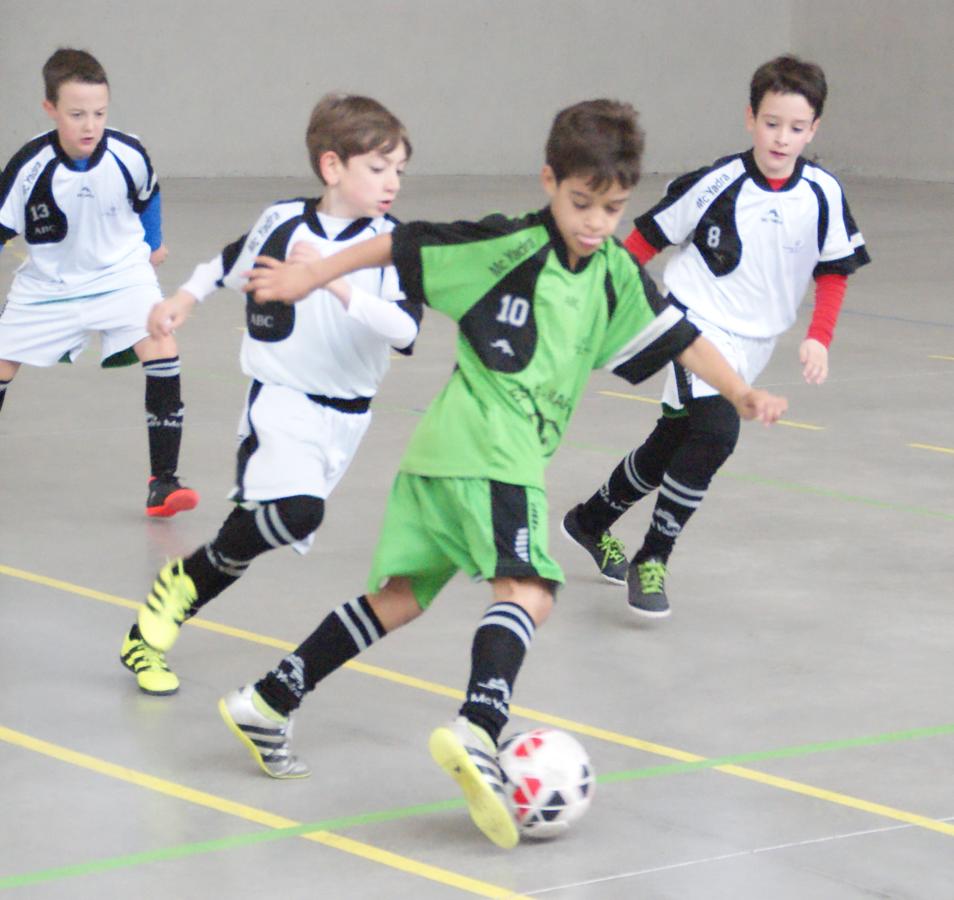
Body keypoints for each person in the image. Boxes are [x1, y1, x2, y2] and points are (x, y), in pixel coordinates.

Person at [152, 99, 786, 848]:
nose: (593, 221)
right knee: (530, 590)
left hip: (441, 459)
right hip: (492, 453)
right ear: (549, 181)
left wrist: (740, 391)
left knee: (399, 599)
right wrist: (313, 274)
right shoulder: (505, 245)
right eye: (580, 203)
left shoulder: (616, 274)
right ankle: (479, 727)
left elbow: (680, 336)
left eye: (611, 208)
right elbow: (404, 246)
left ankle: (268, 700)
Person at [119, 93, 421, 696]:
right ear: (333, 167)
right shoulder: (281, 219)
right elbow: (226, 264)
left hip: (348, 418)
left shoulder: (392, 243)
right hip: (282, 401)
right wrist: (182, 299)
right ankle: (175, 592)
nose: (392, 183)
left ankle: (163, 612)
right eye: (378, 168)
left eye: (399, 172)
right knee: (298, 511)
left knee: (251, 533)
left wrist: (329, 281)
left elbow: (406, 330)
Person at [562, 55, 870, 619]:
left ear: (814, 129)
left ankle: (589, 520)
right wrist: (603, 301)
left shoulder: (823, 193)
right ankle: (652, 558)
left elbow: (834, 268)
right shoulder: (716, 183)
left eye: (797, 128)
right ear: (750, 118)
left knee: (674, 441)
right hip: (692, 322)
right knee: (717, 432)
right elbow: (642, 242)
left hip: (756, 341)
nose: (782, 137)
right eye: (772, 122)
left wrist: (818, 336)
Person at [0, 48, 198, 517]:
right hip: (47, 286)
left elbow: (148, 194)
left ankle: (164, 483)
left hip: (121, 278)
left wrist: (154, 243)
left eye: (99, 113)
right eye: (76, 114)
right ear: (50, 110)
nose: (90, 125)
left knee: (162, 345)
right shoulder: (29, 166)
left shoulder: (129, 153)